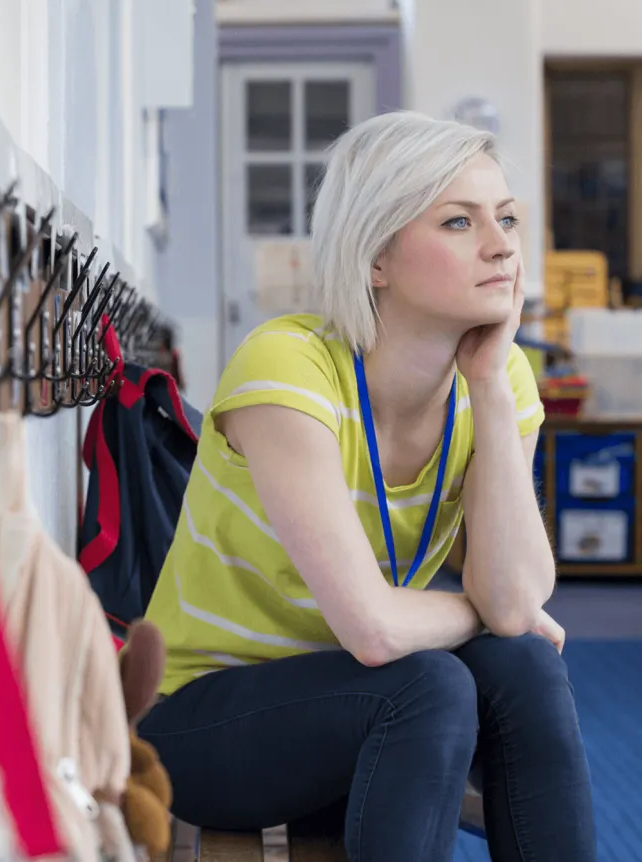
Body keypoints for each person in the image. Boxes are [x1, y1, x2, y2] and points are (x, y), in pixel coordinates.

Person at [136, 111, 596, 861]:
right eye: (458, 221)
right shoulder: (286, 369)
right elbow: (375, 630)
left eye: (506, 217)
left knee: (525, 668)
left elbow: (518, 604)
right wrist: (482, 612)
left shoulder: (501, 376)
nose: (501, 244)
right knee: (429, 685)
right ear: (375, 256)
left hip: (361, 708)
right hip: (201, 727)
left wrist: (486, 384)